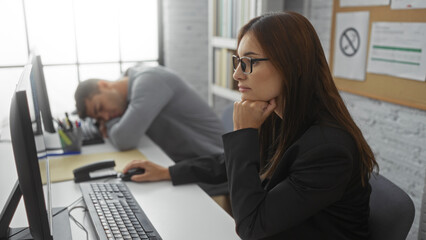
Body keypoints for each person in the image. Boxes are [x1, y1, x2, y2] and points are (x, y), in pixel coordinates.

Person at [223, 12, 378, 239]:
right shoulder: (281, 117)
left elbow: (251, 226)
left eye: (250, 62)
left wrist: (244, 132)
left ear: (291, 65)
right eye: (238, 61)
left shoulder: (328, 149)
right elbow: (231, 165)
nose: (237, 74)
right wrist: (170, 172)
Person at [74, 64, 228, 197]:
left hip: (213, 169)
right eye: (100, 118)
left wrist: (109, 123)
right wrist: (106, 121)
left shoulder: (149, 81)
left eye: (100, 108)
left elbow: (124, 139)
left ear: (104, 85)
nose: (106, 116)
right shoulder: (129, 82)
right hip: (184, 163)